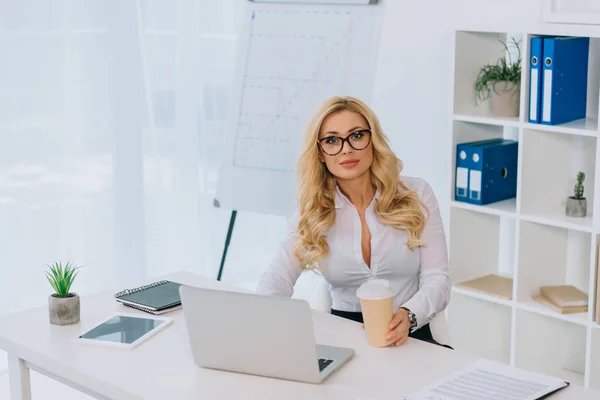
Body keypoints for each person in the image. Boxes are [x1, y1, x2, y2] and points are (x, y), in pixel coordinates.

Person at [256, 96, 451, 348]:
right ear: (321, 153)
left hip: (410, 331)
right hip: (345, 336)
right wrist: (261, 314)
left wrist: (409, 314)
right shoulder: (314, 211)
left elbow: (438, 278)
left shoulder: (416, 195)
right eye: (332, 140)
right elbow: (278, 276)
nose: (346, 149)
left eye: (356, 135)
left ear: (373, 141)